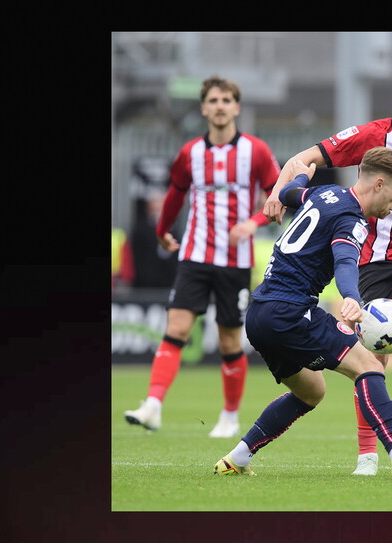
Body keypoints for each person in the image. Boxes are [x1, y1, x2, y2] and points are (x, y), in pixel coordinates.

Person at [262, 76, 392, 476]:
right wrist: (275, 192)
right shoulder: (372, 135)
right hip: (368, 257)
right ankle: (367, 456)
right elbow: (302, 160)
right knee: (373, 359)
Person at [214, 147, 392, 479]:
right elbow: (344, 261)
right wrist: (352, 297)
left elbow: (288, 193)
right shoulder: (352, 218)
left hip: (260, 314)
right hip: (291, 311)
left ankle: (237, 458)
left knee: (311, 391)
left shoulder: (327, 193)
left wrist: (300, 176)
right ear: (379, 184)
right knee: (368, 365)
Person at [124, 76, 281, 438]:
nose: (221, 105)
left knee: (228, 340)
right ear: (204, 108)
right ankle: (153, 406)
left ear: (236, 107)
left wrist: (253, 223)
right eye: (214, 100)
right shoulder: (190, 153)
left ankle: (229, 416)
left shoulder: (255, 151)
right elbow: (175, 194)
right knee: (176, 327)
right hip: (194, 255)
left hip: (235, 261)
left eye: (227, 99)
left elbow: (277, 193)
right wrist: (163, 230)